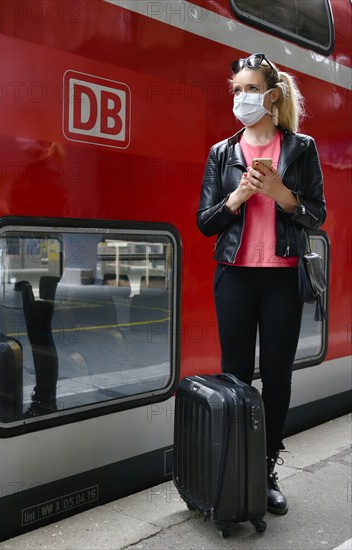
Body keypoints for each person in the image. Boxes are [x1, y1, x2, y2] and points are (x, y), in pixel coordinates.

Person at [197, 53, 326, 515]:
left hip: (281, 280)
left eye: (249, 90)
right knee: (234, 376)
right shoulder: (222, 152)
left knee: (276, 376)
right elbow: (204, 223)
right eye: (236, 90)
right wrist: (239, 196)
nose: (241, 98)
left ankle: (267, 469)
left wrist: (281, 195)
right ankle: (234, 468)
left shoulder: (300, 148)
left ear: (271, 96)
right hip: (234, 277)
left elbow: (317, 214)